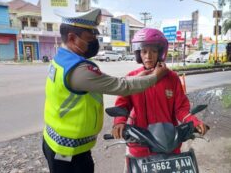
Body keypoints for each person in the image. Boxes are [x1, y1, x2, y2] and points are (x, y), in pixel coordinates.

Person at [42, 9, 169, 173]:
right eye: (90, 38)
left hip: (57, 140)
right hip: (67, 151)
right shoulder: (79, 70)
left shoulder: (61, 60)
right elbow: (121, 87)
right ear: (72, 38)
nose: (95, 41)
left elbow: (115, 83)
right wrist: (155, 77)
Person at [111, 28, 208, 169]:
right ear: (139, 54)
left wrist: (193, 121)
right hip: (139, 142)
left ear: (160, 53)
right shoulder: (133, 77)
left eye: (153, 51)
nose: (148, 56)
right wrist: (119, 121)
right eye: (144, 51)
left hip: (169, 142)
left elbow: (180, 107)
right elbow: (123, 103)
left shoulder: (172, 78)